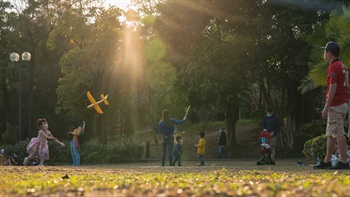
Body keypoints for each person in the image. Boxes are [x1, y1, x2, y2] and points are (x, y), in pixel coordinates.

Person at [314, 41, 349, 170]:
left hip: (336, 104)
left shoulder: (333, 67)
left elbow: (333, 87)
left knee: (338, 132)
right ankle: (327, 160)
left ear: (329, 53)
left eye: (325, 51)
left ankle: (343, 161)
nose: (324, 53)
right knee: (330, 133)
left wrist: (326, 107)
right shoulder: (342, 66)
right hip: (342, 103)